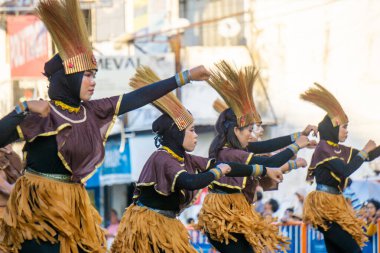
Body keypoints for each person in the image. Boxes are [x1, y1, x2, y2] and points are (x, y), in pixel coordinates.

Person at [0, 0, 212, 252]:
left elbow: (139, 97)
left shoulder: (92, 111)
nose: (92, 82)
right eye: (87, 75)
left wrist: (184, 77)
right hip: (38, 211)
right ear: (68, 77)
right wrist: (22, 109)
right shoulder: (42, 112)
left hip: (74, 207)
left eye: (94, 75)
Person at [111, 67, 268, 253]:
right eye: (191, 130)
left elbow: (225, 166)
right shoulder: (162, 158)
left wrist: (262, 171)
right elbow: (190, 181)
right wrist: (218, 171)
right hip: (147, 228)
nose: (196, 136)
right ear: (177, 133)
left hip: (168, 225)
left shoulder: (185, 158)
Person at [197, 61, 312, 253]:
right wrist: (297, 146)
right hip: (225, 219)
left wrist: (299, 136)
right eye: (250, 129)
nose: (253, 134)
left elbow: (267, 146)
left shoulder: (233, 149)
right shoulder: (231, 153)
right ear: (236, 130)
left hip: (236, 217)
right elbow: (271, 162)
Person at [301, 83, 380, 253]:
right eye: (344, 127)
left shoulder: (339, 149)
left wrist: (369, 152)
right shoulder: (323, 147)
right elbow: (345, 170)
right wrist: (364, 151)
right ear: (334, 127)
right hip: (324, 207)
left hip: (336, 205)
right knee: (353, 250)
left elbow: (368, 156)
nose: (347, 131)